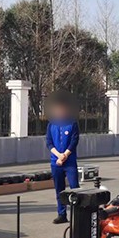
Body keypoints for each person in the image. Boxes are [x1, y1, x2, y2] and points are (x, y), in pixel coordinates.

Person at [45, 93, 80, 224]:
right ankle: (62, 214)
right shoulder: (51, 125)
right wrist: (58, 155)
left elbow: (74, 141)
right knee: (59, 189)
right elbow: (49, 143)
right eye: (58, 109)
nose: (60, 112)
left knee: (74, 187)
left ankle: (78, 214)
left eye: (63, 109)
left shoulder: (72, 124)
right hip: (56, 162)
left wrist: (65, 155)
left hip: (69, 162)